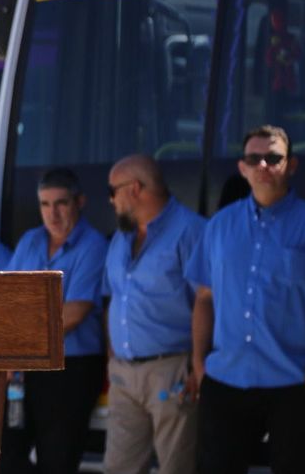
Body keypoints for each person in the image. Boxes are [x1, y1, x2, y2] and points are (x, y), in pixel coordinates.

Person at [189, 125, 305, 473]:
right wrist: (199, 363)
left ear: (291, 165)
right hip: (225, 381)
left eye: (273, 158)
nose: (263, 166)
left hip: (291, 383)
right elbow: (204, 298)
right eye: (254, 158)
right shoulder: (219, 227)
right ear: (242, 168)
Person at [0, 167, 107, 474]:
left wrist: (19, 343)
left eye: (61, 203)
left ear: (80, 202)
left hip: (70, 368)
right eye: (45, 204)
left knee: (58, 459)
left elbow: (74, 313)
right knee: (6, 455)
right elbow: (7, 298)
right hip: (25, 367)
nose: (53, 213)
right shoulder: (31, 240)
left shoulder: (94, 245)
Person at [101, 155, 203, 474]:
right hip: (123, 374)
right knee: (118, 468)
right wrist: (112, 356)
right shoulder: (122, 236)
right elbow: (113, 298)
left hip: (172, 370)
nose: (109, 200)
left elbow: (209, 301)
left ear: (134, 188)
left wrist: (198, 364)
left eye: (112, 190)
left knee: (178, 468)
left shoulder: (192, 231)